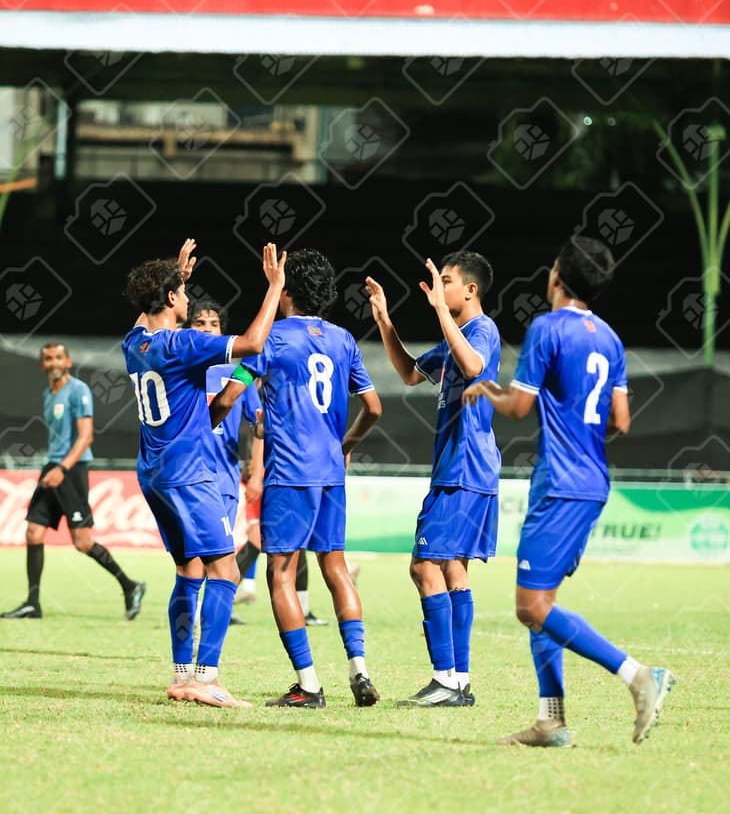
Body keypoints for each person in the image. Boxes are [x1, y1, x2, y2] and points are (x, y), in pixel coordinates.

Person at [463, 236, 675, 746]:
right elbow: (620, 420)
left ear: (557, 277)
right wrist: (581, 436)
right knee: (545, 603)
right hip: (593, 481)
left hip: (559, 482)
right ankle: (551, 721)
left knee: (531, 607)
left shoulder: (548, 327)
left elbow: (516, 407)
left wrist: (485, 387)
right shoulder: (610, 338)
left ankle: (639, 676)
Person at [211, 249, 381, 708]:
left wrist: (200, 424)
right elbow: (375, 407)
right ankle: (359, 671)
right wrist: (346, 444)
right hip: (330, 473)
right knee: (336, 568)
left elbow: (229, 397)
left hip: (289, 474)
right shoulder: (344, 340)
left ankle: (308, 685)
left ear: (285, 292)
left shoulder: (271, 340)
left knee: (280, 574)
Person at [122, 238, 285, 708]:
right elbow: (252, 344)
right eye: (182, 294)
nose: (190, 301)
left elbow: (143, 313)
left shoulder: (136, 343)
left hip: (152, 473)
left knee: (186, 569)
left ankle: (180, 674)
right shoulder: (182, 343)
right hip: (189, 473)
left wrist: (171, 278)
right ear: (171, 300)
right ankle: (206, 678)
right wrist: (274, 287)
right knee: (225, 568)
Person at [366, 252, 501, 707]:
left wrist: (442, 313)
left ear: (470, 290)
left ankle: (444, 680)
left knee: (423, 567)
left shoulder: (481, 331)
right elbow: (408, 373)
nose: (438, 288)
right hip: (463, 468)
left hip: (464, 468)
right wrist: (386, 321)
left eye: (446, 282)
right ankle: (458, 682)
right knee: (452, 570)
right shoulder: (454, 338)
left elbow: (475, 368)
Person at [187, 298, 327, 627]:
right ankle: (194, 612)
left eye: (213, 324)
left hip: (222, 474)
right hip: (186, 471)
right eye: (199, 323)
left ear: (223, 332)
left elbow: (257, 426)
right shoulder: (182, 367)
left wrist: (257, 471)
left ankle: (213, 610)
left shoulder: (238, 372)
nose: (207, 329)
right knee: (192, 550)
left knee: (219, 548)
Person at [1, 343, 146, 621]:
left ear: (68, 361)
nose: (53, 362)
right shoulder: (48, 393)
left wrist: (62, 469)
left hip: (72, 469)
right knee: (33, 532)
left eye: (58, 357)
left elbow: (86, 436)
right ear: (42, 364)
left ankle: (131, 586)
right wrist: (53, 468)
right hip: (53, 466)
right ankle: (33, 603)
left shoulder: (78, 390)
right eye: (48, 359)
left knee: (82, 541)